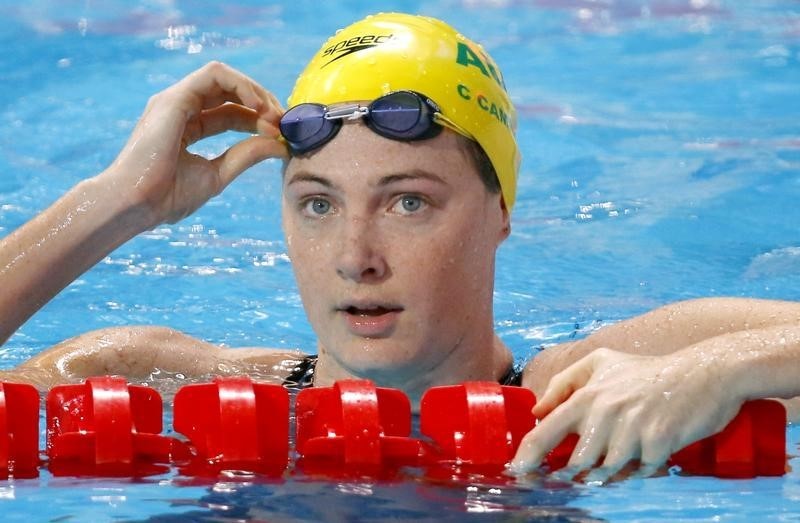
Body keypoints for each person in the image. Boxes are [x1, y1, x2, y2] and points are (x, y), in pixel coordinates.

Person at [1, 13, 799, 484]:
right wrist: (114, 204)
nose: (355, 255)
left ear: (501, 212)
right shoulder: (155, 380)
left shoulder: (593, 384)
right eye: (317, 204)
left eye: (408, 201)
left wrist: (714, 370)